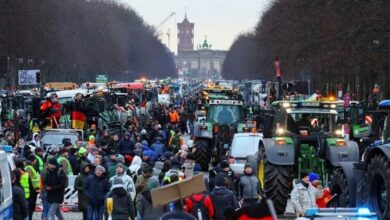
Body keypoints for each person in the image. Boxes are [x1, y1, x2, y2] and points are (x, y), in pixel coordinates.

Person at [24, 155, 40, 220]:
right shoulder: (29, 168)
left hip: (32, 190)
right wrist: (34, 189)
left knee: (31, 207)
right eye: (35, 160)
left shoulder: (30, 167)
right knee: (30, 208)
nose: (36, 161)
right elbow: (29, 179)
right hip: (31, 191)